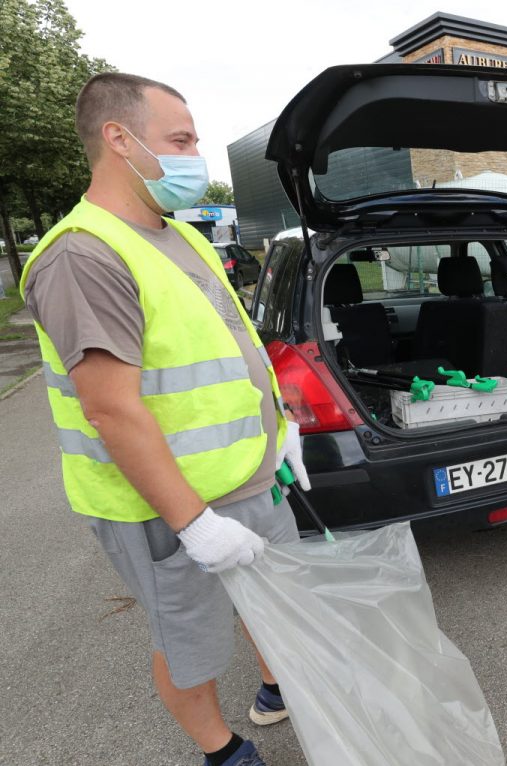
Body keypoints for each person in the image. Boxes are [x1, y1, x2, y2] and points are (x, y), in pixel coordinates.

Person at [19, 73, 310, 766]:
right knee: (191, 642)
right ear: (119, 140)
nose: (194, 157)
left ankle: (275, 689)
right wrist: (193, 523)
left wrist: (281, 428)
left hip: (249, 477)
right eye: (179, 140)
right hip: (168, 508)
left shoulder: (179, 236)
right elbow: (111, 407)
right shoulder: (82, 255)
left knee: (273, 600)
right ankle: (224, 752)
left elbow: (228, 347)